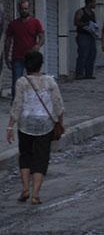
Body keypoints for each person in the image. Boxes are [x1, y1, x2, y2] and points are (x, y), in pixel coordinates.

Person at [6, 51, 64, 205]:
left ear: (26, 65)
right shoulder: (50, 81)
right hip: (45, 124)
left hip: (25, 123)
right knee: (41, 158)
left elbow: (17, 104)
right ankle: (35, 194)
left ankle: (25, 188)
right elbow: (58, 104)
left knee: (25, 155)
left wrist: (10, 127)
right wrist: (60, 122)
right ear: (41, 65)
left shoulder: (21, 82)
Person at [4, 0, 45, 100]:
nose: (24, 11)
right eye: (22, 9)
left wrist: (38, 45)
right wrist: (6, 57)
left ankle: (33, 101)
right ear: (19, 9)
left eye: (26, 8)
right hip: (17, 57)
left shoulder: (35, 22)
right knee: (16, 82)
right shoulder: (13, 24)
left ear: (29, 9)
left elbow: (42, 37)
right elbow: (8, 41)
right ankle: (16, 104)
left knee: (33, 81)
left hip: (31, 57)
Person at [73, 0, 98, 80]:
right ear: (89, 2)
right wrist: (86, 24)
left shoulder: (92, 13)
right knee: (83, 54)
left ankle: (89, 73)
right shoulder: (81, 11)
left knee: (92, 54)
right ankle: (79, 73)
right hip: (82, 35)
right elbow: (76, 22)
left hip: (91, 35)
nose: (95, 4)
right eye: (94, 2)